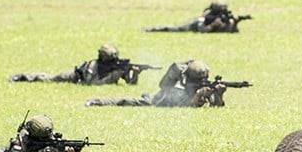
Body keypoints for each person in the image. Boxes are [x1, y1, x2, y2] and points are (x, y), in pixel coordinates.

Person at [84, 59, 226, 107]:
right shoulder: (177, 87)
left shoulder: (200, 87)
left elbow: (216, 105)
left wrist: (219, 94)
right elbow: (187, 105)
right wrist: (198, 96)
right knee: (127, 101)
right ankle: (98, 101)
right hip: (157, 100)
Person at [8, 44, 142, 85]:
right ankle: (24, 76)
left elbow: (130, 83)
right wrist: (114, 75)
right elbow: (91, 83)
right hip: (74, 76)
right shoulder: (93, 65)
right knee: (49, 78)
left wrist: (135, 74)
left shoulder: (117, 67)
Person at [143, 0, 249, 33]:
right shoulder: (207, 15)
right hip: (192, 25)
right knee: (175, 28)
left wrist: (236, 22)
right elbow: (201, 29)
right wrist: (212, 25)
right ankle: (153, 29)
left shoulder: (225, 18)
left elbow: (232, 31)